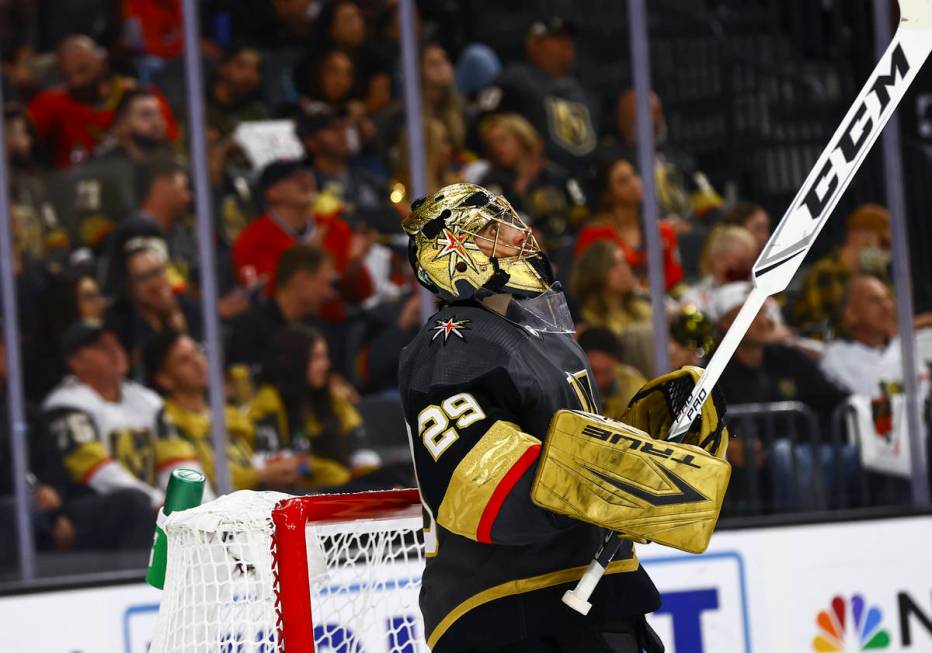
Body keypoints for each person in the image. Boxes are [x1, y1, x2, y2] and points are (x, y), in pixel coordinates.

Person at [399, 183, 729, 652]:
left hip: (597, 595)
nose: (519, 235)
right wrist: (630, 476)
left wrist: (648, 440)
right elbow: (485, 487)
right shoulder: (452, 346)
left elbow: (568, 454)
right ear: (452, 255)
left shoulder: (542, 333)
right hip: (508, 608)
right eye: (495, 230)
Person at [42, 320, 204, 510]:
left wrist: (194, 504)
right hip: (102, 511)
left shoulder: (147, 400)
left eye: (116, 343)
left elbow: (178, 458)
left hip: (155, 509)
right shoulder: (66, 404)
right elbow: (96, 471)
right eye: (102, 347)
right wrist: (158, 503)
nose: (115, 352)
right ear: (75, 361)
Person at [144, 330, 303, 492]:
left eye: (197, 352)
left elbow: (249, 461)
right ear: (165, 379)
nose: (198, 362)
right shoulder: (168, 422)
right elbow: (195, 485)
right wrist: (260, 476)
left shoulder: (226, 413)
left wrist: (278, 468)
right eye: (184, 360)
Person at [247, 324, 382, 489]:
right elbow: (279, 465)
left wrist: (368, 477)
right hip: (295, 497)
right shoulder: (267, 404)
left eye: (325, 357)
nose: (326, 365)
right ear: (293, 361)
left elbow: (361, 449)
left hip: (343, 490)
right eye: (316, 358)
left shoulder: (332, 399)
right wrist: (330, 472)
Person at [232, 158, 373, 307]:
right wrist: (303, 259)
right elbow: (262, 299)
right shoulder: (253, 239)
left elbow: (361, 295)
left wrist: (354, 267)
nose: (305, 180)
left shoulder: (334, 228)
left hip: (336, 324)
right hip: (281, 327)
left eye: (306, 174)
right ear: (272, 192)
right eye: (293, 177)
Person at [27, 35, 177, 168]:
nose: (76, 81)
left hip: (137, 175)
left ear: (102, 60)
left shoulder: (140, 97)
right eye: (67, 75)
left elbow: (169, 141)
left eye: (83, 70)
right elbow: (21, 137)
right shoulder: (51, 102)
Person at [481, 17, 599, 175]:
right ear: (534, 44)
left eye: (568, 38)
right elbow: (485, 124)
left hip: (584, 180)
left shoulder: (585, 91)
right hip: (535, 181)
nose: (567, 44)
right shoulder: (515, 79)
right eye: (557, 38)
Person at [576, 157, 684, 292]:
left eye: (634, 175)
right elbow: (586, 286)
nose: (634, 183)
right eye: (623, 181)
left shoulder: (663, 231)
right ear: (607, 193)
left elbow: (674, 282)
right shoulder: (594, 235)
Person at [791, 203, 892, 338]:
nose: (887, 252)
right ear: (859, 235)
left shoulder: (877, 275)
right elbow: (839, 330)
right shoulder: (823, 274)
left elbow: (894, 319)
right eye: (884, 243)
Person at [226, 243, 334, 369]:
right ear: (301, 280)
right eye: (325, 283)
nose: (329, 293)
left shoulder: (317, 329)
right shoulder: (250, 328)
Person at [820, 275, 930, 397]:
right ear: (850, 314)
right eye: (875, 300)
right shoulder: (836, 357)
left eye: (887, 299)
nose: (887, 307)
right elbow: (867, 400)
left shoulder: (906, 348)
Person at [569, 240, 652, 334]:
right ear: (596, 271)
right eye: (614, 264)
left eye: (624, 262)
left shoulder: (643, 309)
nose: (624, 270)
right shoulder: (584, 319)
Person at [577, 327, 647, 420]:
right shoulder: (569, 385)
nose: (599, 380)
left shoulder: (632, 385)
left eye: (606, 372)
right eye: (593, 372)